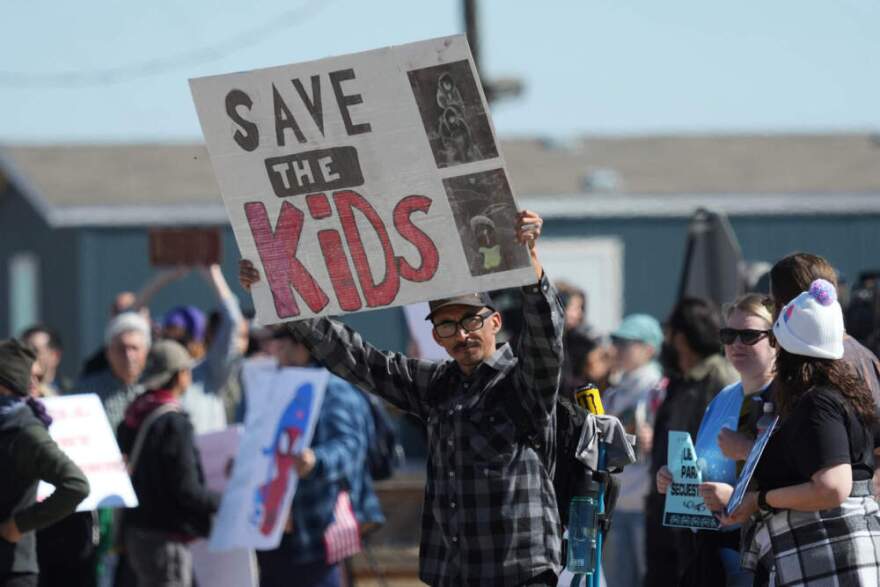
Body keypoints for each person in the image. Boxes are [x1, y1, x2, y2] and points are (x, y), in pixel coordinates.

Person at [239, 209, 564, 586]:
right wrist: (282, 295)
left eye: (470, 321)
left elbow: (546, 339)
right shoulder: (437, 384)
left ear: (495, 322)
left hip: (517, 573)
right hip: (455, 573)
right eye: (447, 325)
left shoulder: (523, 384)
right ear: (437, 337)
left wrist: (530, 265)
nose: (461, 335)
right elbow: (357, 359)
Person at [714, 279, 880, 585]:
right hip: (834, 556)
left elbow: (832, 487)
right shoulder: (836, 393)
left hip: (828, 558)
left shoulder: (816, 401)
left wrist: (761, 500)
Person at [655, 294, 776, 586]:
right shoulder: (723, 397)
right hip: (713, 551)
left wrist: (736, 500)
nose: (736, 344)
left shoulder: (788, 398)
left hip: (767, 555)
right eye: (728, 334)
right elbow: (704, 465)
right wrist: (678, 477)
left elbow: (797, 475)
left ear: (777, 341)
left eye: (749, 335)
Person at [254, 327, 384, 587]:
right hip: (275, 527)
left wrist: (315, 460)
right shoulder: (275, 385)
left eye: (280, 340)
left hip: (315, 529)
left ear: (302, 346)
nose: (273, 348)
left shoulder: (334, 388)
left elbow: (350, 448)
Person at [644, 297, 738, 587]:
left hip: (701, 515)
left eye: (670, 333)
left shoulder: (719, 376)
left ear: (681, 338)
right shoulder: (680, 380)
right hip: (667, 507)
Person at [116, 340, 220, 587]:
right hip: (166, 539)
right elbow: (187, 489)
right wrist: (226, 501)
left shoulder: (134, 414)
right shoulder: (174, 424)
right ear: (180, 375)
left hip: (136, 534)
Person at [0, 339, 90, 587]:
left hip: (11, 569)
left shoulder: (25, 430)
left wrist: (19, 525)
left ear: (5, 386)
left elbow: (76, 485)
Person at [600, 314, 663, 587]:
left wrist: (655, 438)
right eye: (616, 341)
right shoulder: (614, 390)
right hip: (615, 503)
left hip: (645, 503)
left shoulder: (657, 388)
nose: (618, 348)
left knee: (649, 579)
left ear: (649, 348)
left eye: (626, 343)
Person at [74, 313, 151, 432]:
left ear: (146, 351)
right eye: (121, 348)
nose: (128, 356)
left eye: (134, 348)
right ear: (108, 353)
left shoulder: (156, 389)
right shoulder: (85, 392)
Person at [19, 326, 68, 396]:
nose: (27, 357)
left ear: (55, 356)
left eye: (34, 351)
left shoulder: (73, 393)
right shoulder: (15, 395)